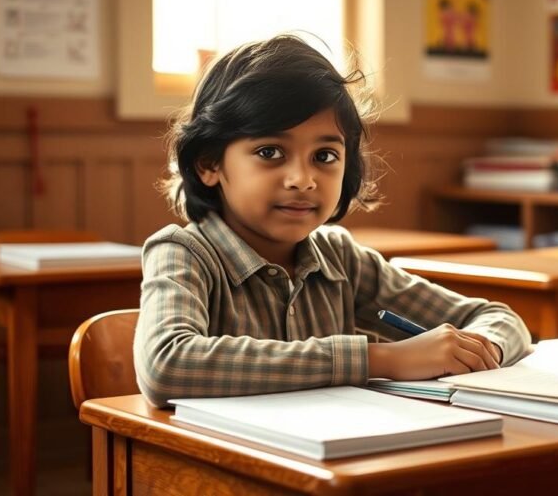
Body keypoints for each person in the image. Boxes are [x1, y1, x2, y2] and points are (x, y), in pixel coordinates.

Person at [134, 35, 531, 407]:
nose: (303, 180)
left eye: (324, 156)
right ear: (208, 163)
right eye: (270, 152)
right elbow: (166, 364)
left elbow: (500, 318)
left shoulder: (341, 259)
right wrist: (382, 359)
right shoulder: (184, 254)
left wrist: (481, 349)